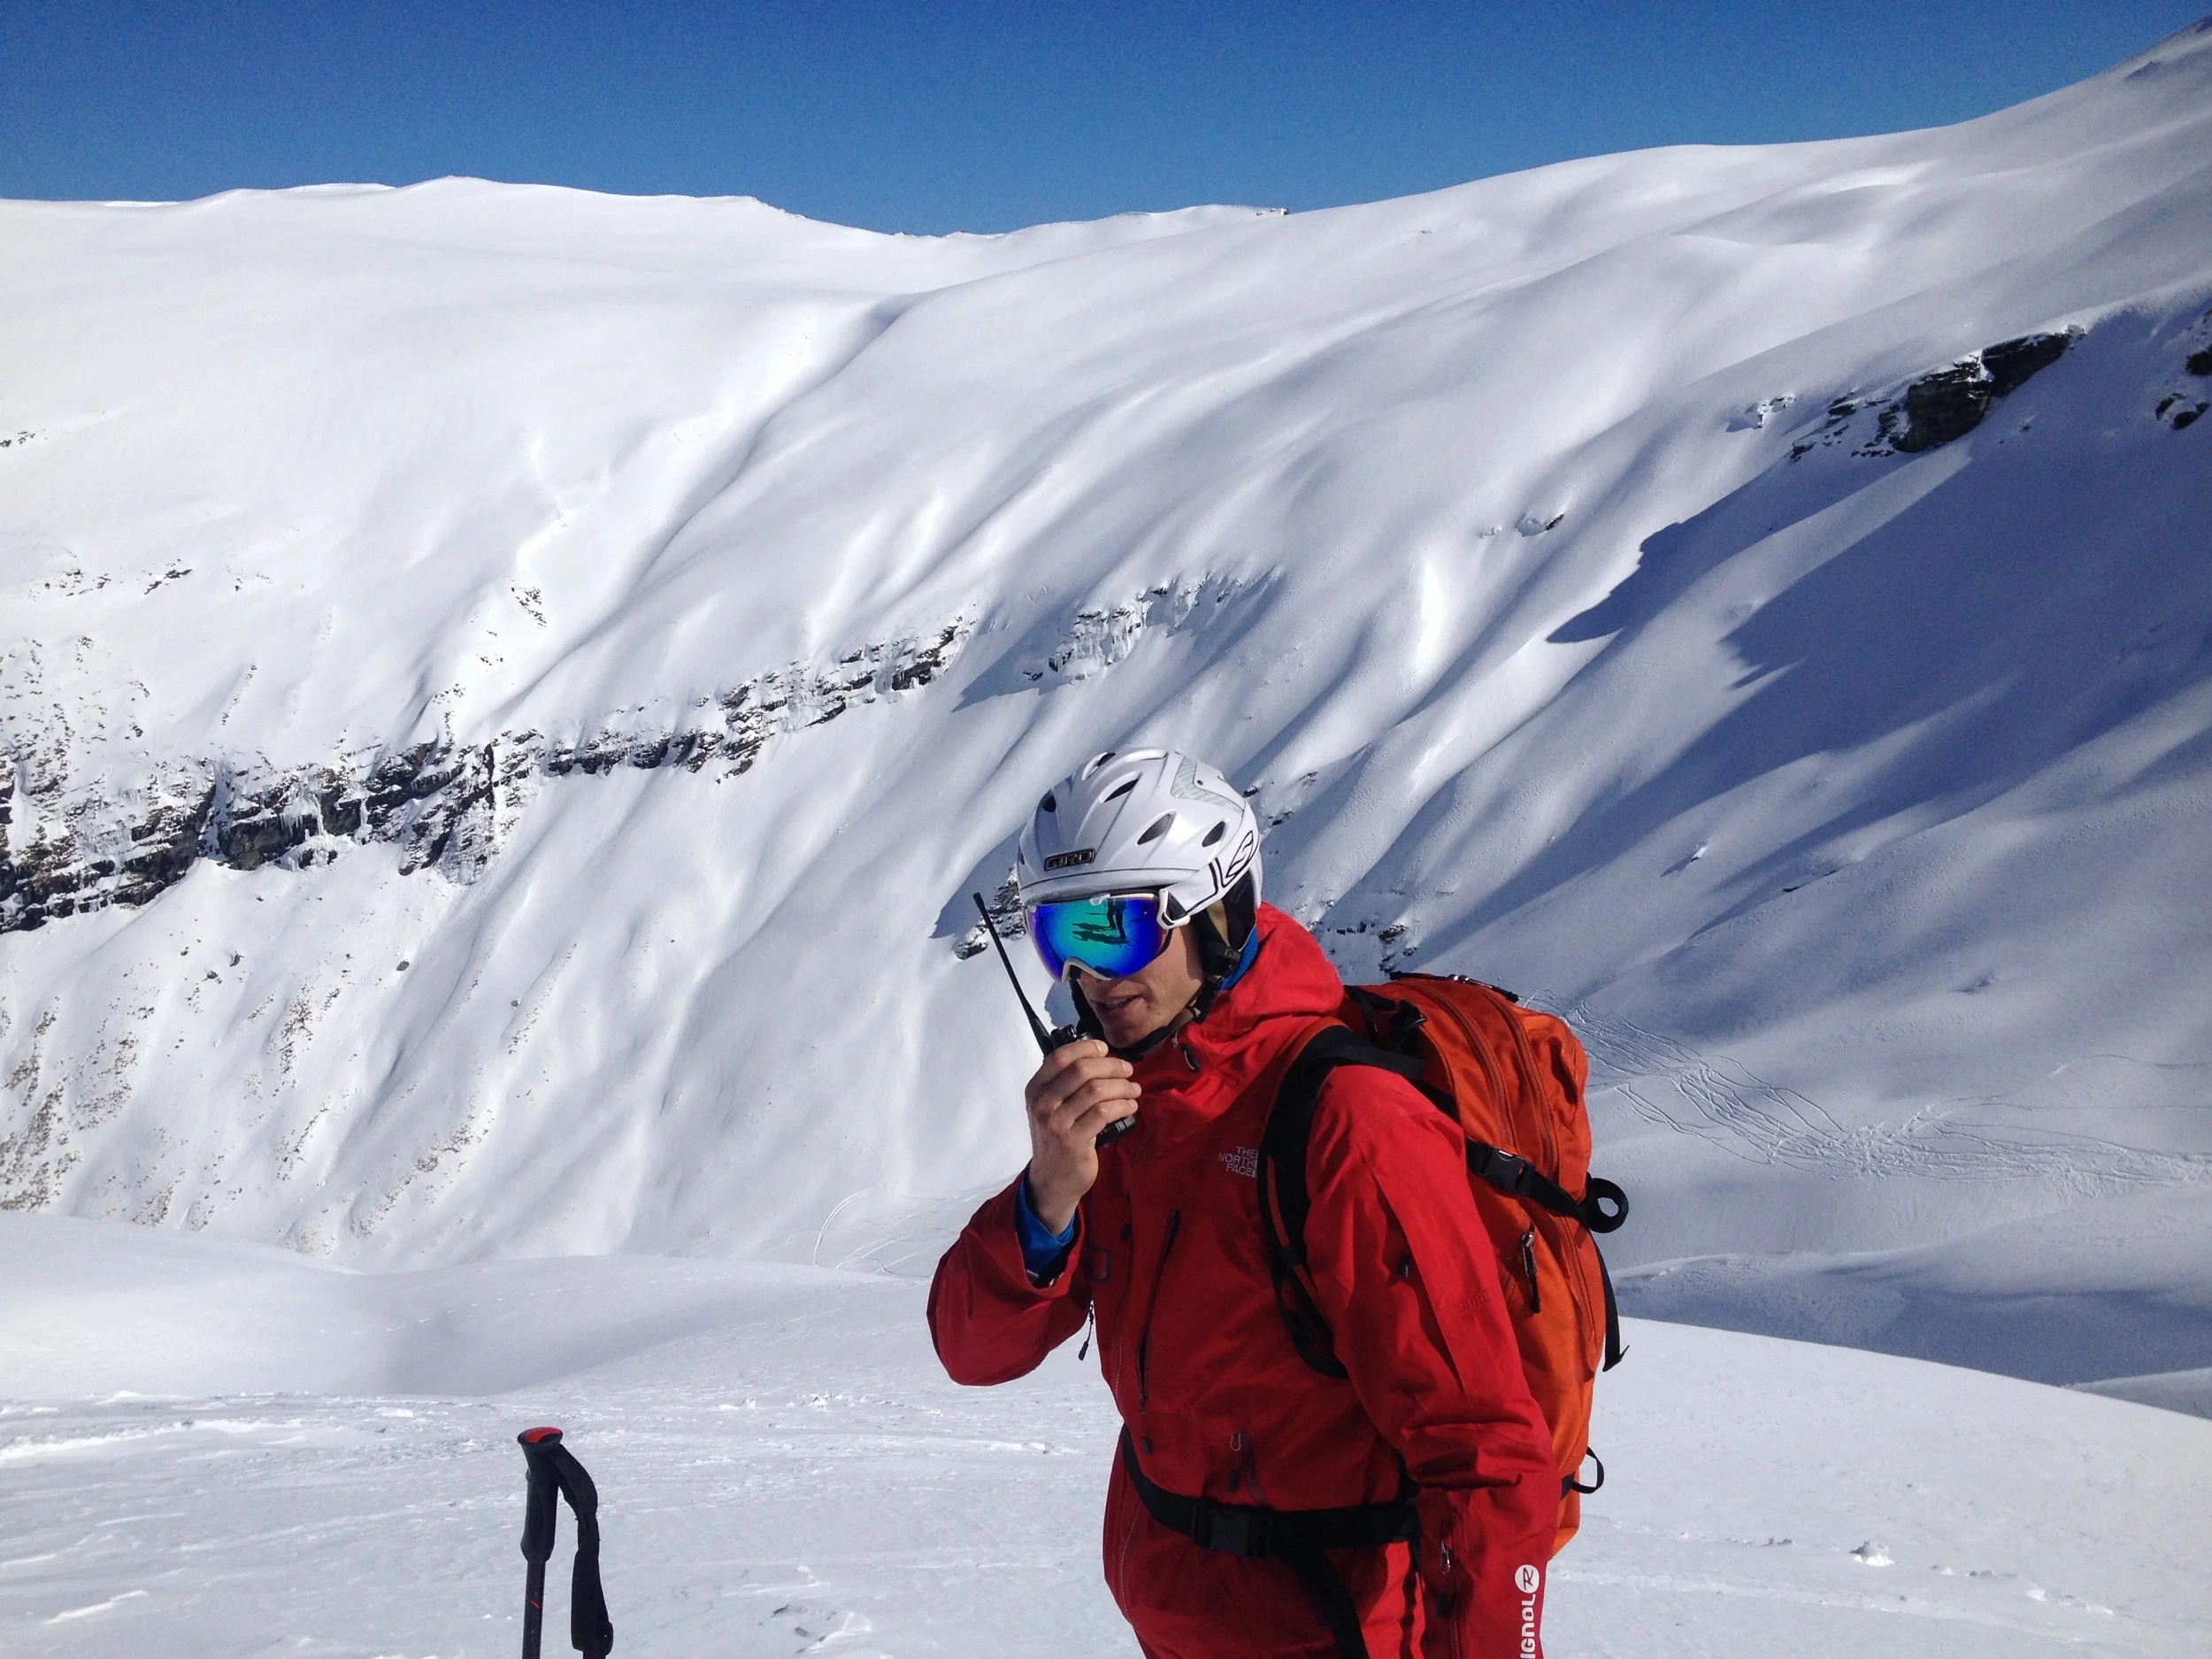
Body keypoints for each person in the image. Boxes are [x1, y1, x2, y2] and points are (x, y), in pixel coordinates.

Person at [928, 748, 1559, 1659]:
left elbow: (1484, 1451)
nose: (1092, 978)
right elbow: (973, 1352)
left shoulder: (1346, 1120)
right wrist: (1047, 1199)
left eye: (1121, 932)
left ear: (1215, 914)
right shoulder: (1127, 1110)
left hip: (1334, 1625)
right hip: (1182, 1615)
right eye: (1063, 938)